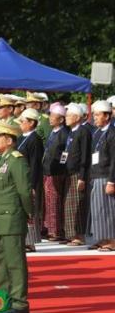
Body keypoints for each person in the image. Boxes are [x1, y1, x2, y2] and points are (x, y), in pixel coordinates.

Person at [0, 120, 33, 313]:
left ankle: (20, 303)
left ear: (9, 140)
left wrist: (28, 213)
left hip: (11, 218)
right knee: (0, 265)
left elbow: (24, 191)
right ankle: (0, 302)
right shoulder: (0, 159)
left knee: (15, 264)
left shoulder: (16, 160)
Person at [88, 101, 115, 252]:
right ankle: (102, 237)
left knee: (108, 209)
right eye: (94, 115)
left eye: (97, 115)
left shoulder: (112, 133)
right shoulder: (97, 133)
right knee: (98, 209)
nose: (94, 118)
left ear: (107, 116)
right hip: (96, 175)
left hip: (106, 176)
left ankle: (112, 240)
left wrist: (112, 181)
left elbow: (114, 160)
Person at [62, 104, 91, 246]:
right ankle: (71, 234)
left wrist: (82, 177)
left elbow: (85, 156)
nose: (66, 118)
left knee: (76, 205)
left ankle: (78, 236)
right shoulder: (71, 132)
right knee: (69, 205)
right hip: (69, 172)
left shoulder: (83, 131)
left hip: (78, 174)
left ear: (77, 117)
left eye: (68, 115)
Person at [17, 108, 45, 252]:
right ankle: (23, 240)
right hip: (20, 178)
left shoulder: (35, 139)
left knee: (29, 209)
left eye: (23, 121)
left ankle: (30, 242)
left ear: (31, 122)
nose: (20, 124)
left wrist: (33, 185)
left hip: (30, 179)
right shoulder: (22, 138)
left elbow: (35, 163)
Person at [42, 104, 69, 242]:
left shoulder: (64, 134)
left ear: (61, 119)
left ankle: (56, 230)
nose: (50, 119)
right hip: (47, 170)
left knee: (55, 201)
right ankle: (49, 228)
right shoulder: (52, 132)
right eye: (50, 116)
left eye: (53, 117)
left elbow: (65, 154)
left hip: (57, 172)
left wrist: (61, 168)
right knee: (48, 201)